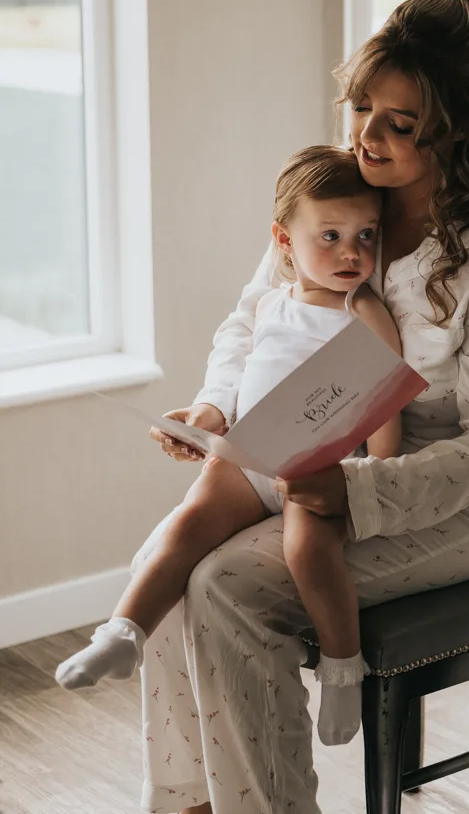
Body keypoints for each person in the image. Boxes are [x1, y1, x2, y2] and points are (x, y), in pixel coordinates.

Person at [134, 0, 469, 814]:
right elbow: (249, 318)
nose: (367, 135)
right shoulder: (339, 201)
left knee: (227, 588)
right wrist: (213, 407)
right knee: (163, 566)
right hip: (318, 463)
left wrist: (353, 491)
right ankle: (195, 804)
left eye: (399, 124)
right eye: (360, 109)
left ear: (452, 133)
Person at [55, 145, 404, 746]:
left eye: (366, 234)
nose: (352, 252)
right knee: (189, 521)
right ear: (284, 242)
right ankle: (123, 633)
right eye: (331, 235)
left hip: (322, 469)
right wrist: (211, 418)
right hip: (254, 456)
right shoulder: (272, 303)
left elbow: (386, 395)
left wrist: (376, 470)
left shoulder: (362, 308)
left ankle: (344, 670)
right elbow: (245, 371)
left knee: (307, 553)